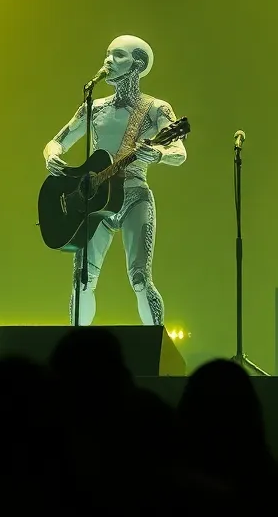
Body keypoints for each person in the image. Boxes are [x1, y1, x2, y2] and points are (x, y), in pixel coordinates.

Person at [43, 35, 186, 326]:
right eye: (108, 54)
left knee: (140, 277)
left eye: (118, 55)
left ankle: (155, 345)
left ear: (138, 64)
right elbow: (56, 141)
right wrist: (51, 155)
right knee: (82, 278)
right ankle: (75, 349)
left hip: (134, 194)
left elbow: (179, 151)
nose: (109, 60)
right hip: (96, 200)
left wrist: (157, 154)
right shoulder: (93, 107)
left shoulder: (156, 108)